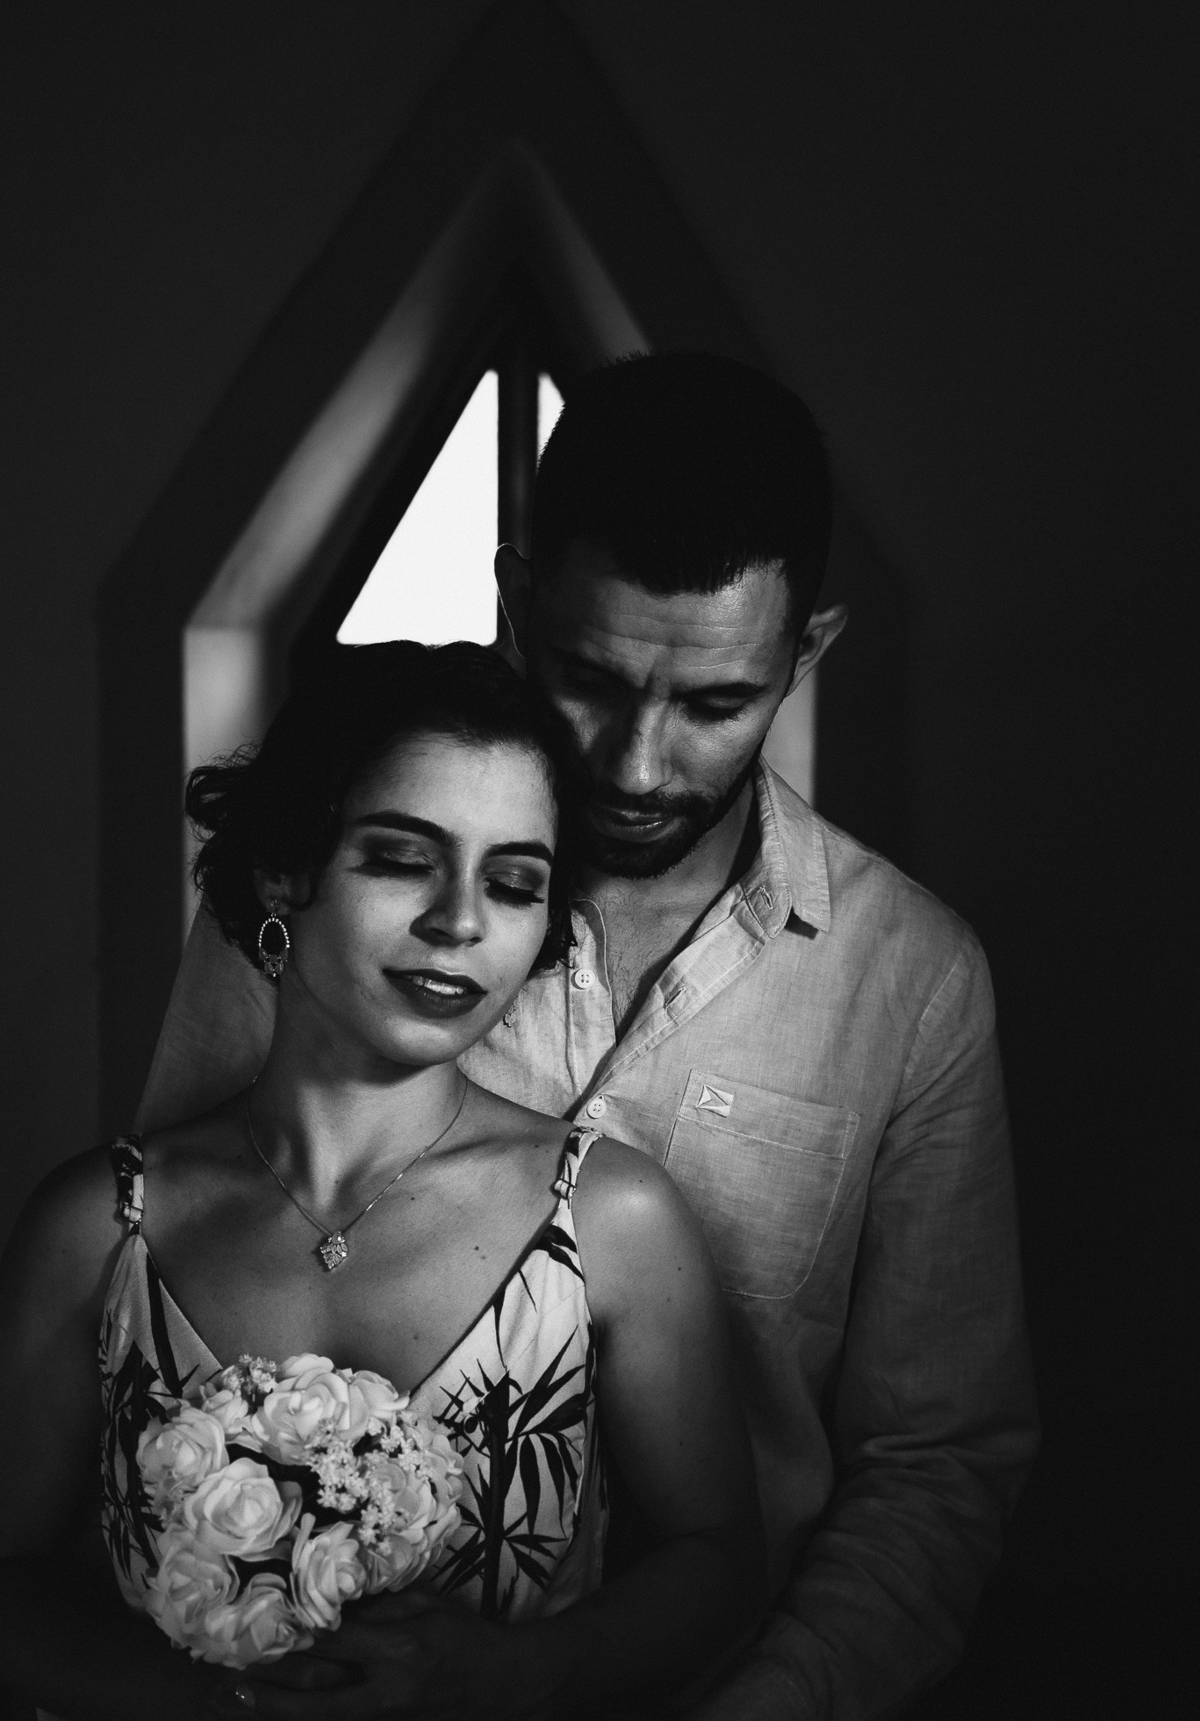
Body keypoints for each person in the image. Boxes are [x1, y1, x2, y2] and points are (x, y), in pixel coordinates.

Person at [133, 352, 1038, 1719]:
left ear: (807, 653)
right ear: (515, 598)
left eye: (716, 703)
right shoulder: (314, 908)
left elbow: (935, 1460)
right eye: (588, 678)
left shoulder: (911, 981)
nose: (634, 761)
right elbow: (164, 1291)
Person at [0, 642, 765, 1721]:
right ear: (284, 871)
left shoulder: (608, 1220)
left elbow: (721, 1558)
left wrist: (517, 1674)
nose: (461, 920)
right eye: (404, 860)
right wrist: (210, 1703)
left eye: (514, 883)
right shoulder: (100, 1225)